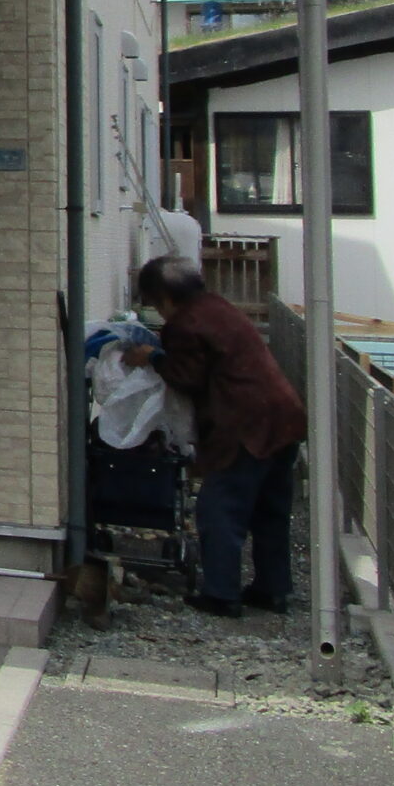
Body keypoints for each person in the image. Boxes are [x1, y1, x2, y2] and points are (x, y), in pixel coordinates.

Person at [129, 254, 307, 618]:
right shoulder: (218, 307)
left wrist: (152, 357)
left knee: (220, 507)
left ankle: (222, 594)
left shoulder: (185, 323)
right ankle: (273, 590)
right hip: (283, 416)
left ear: (164, 297)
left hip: (245, 425)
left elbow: (187, 377)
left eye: (155, 304)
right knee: (270, 510)